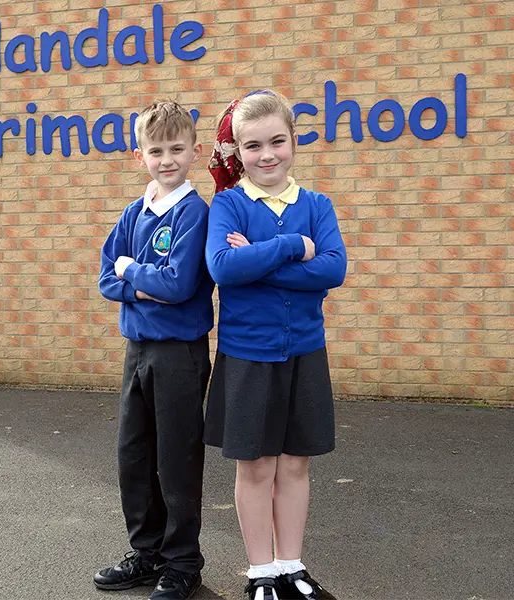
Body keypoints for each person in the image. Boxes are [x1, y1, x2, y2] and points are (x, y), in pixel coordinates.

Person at [204, 90, 347, 600]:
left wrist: (260, 264)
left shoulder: (317, 204)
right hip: (248, 356)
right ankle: (260, 571)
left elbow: (334, 268)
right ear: (237, 152)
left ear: (293, 141)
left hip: (305, 351)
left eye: (278, 142)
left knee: (295, 462)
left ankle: (291, 564)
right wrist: (292, 248)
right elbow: (223, 268)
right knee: (257, 465)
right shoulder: (227, 205)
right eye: (253, 146)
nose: (267, 155)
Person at [94, 100, 214, 600]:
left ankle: (182, 562)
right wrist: (132, 279)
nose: (167, 159)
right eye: (156, 150)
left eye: (177, 149)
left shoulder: (194, 212)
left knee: (176, 456)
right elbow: (104, 277)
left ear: (195, 151)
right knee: (134, 454)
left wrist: (130, 271)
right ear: (138, 155)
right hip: (137, 350)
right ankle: (146, 554)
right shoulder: (133, 211)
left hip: (179, 353)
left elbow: (179, 284)